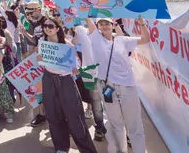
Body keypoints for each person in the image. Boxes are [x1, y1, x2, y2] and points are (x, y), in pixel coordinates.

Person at [85, 17, 149, 153]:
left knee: (135, 125)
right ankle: (121, 150)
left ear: (113, 24)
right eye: (100, 24)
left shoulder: (123, 40)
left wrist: (142, 23)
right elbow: (88, 16)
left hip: (128, 87)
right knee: (116, 125)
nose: (104, 26)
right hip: (108, 88)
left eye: (107, 23)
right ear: (97, 27)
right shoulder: (95, 39)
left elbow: (145, 39)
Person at [38, 16, 98, 153]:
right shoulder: (42, 41)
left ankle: (87, 149)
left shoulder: (66, 43)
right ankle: (61, 147)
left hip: (66, 80)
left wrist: (76, 67)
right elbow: (40, 60)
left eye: (51, 26)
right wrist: (39, 59)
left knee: (75, 116)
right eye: (45, 26)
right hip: (49, 79)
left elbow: (76, 61)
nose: (47, 28)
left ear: (57, 29)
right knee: (53, 115)